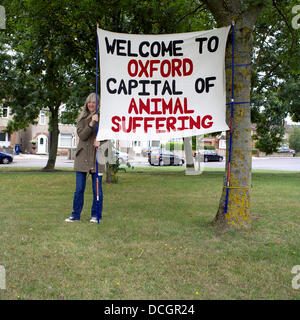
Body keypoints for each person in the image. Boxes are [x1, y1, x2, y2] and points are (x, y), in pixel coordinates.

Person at [65, 93, 105, 223]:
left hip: (97, 157)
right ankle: (75, 215)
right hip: (82, 157)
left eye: (94, 102)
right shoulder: (81, 119)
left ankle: (96, 215)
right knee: (79, 189)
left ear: (98, 104)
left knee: (97, 189)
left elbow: (108, 135)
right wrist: (92, 122)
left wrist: (101, 141)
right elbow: (82, 136)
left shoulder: (104, 119)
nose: (91, 104)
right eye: (89, 102)